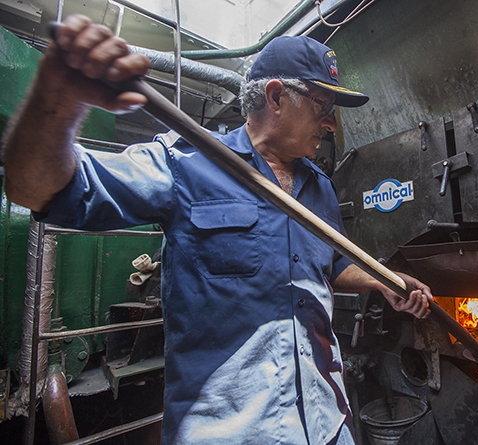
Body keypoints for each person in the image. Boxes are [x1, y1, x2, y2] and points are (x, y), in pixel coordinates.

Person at [1, 14, 433, 445]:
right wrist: (57, 96)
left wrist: (380, 281)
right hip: (232, 432)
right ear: (277, 97)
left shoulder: (318, 187)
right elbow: (34, 188)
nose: (331, 124)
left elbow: (331, 265)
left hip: (327, 424)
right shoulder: (186, 164)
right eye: (323, 106)